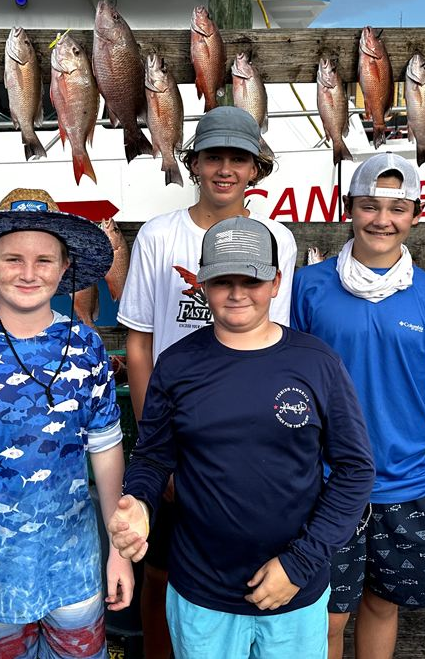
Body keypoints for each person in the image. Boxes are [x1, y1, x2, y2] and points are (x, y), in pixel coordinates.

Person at [108, 216, 375, 659]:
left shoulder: (317, 363)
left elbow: (354, 470)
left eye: (250, 279)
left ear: (275, 282)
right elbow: (154, 458)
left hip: (294, 590)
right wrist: (139, 501)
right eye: (221, 280)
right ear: (201, 285)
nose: (236, 293)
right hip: (201, 592)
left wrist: (300, 564)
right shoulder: (176, 366)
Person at [0, 188, 133, 659]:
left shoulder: (88, 348)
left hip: (75, 569)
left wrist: (119, 549)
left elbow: (106, 446)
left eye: (45, 260)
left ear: (64, 268)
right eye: (13, 259)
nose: (29, 273)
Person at [116, 105, 298, 659]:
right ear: (193, 163)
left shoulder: (277, 239)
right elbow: (141, 343)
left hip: (246, 435)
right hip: (173, 428)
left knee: (245, 563)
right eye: (213, 156)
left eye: (238, 158)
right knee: (159, 571)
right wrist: (157, 446)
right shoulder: (158, 234)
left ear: (256, 169)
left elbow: (275, 344)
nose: (225, 169)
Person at [290, 152, 425, 659]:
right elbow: (289, 384)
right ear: (349, 209)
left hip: (408, 483)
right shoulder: (309, 287)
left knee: (383, 605)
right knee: (327, 616)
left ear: (415, 215)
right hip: (326, 482)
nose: (382, 219)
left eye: (397, 207)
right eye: (370, 205)